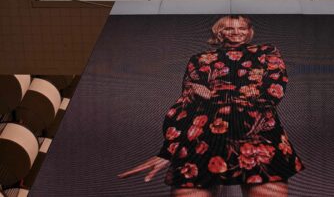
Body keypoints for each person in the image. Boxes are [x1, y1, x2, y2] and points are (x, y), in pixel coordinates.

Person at [118, 15, 303, 195]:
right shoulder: (199, 59)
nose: (236, 32)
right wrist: (168, 150)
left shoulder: (266, 51)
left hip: (258, 135)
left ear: (249, 32)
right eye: (229, 28)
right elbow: (187, 104)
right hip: (204, 137)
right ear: (219, 32)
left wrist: (211, 94)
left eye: (242, 28)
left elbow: (272, 92)